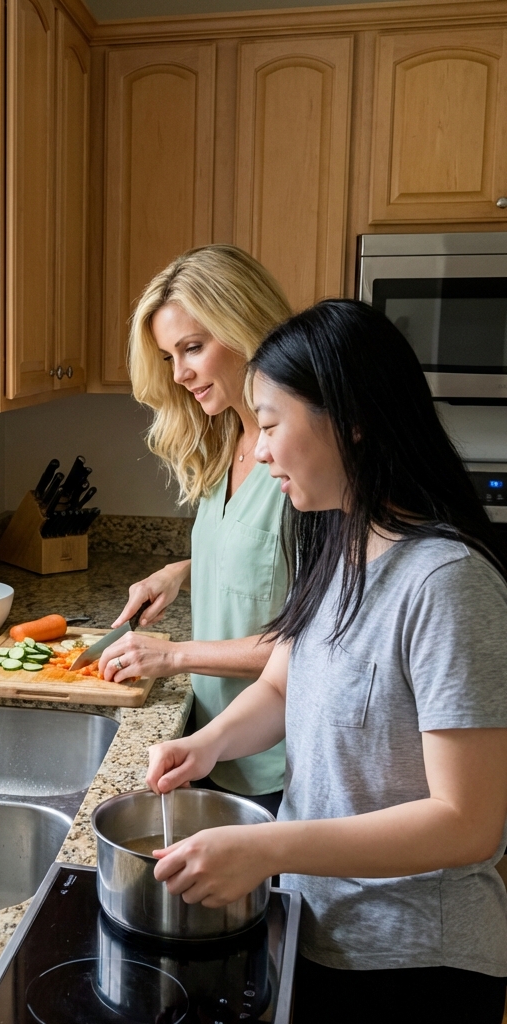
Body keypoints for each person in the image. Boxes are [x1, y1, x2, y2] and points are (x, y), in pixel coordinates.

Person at [146, 299, 507, 1023]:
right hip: (322, 924)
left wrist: (266, 847)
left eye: (273, 425)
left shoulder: (447, 583)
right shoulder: (342, 541)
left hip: (413, 961)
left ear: (352, 420)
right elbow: (285, 682)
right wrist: (204, 744)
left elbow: (469, 822)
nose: (263, 450)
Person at [100, 244, 292, 815]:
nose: (180, 374)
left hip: (274, 762)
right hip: (211, 744)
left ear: (245, 327)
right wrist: (181, 570)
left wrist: (173, 655)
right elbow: (261, 556)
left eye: (193, 348)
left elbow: (308, 643)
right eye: (169, 357)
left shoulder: (300, 463)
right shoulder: (225, 441)